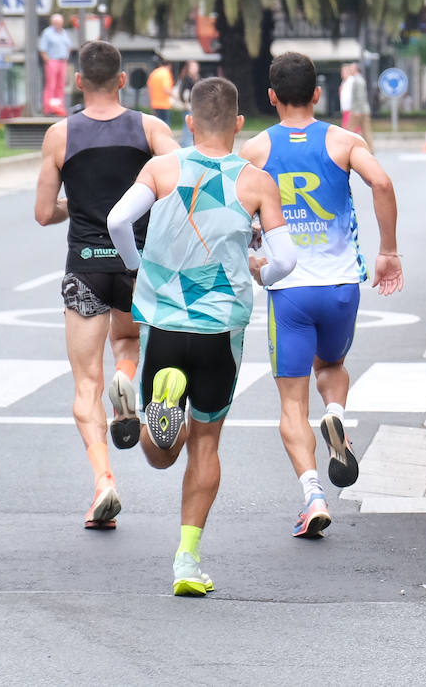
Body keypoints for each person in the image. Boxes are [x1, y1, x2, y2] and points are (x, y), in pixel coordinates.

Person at [106, 76, 295, 596]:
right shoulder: (257, 181)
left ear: (188, 122)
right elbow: (287, 259)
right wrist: (262, 271)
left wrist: (140, 268)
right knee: (206, 440)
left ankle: (159, 404)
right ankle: (187, 562)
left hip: (164, 324)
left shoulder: (161, 167)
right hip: (220, 328)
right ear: (238, 124)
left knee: (159, 453)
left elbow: (118, 219)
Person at [240, 52, 404, 538]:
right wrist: (388, 251)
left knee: (291, 405)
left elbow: (233, 210)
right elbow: (382, 182)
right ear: (318, 93)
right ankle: (335, 414)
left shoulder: (253, 150)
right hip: (339, 287)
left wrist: (253, 252)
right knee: (330, 367)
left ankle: (313, 494)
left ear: (271, 97)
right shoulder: (343, 140)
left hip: (288, 290)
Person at [34, 40, 179, 530]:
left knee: (84, 385)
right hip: (138, 265)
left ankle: (103, 482)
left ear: (78, 82)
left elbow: (41, 213)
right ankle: (128, 379)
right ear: (123, 80)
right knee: (127, 340)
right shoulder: (150, 128)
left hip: (86, 264)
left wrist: (80, 203)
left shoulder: (60, 134)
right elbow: (185, 181)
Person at [38, 13, 73, 116]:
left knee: (60, 85)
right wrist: (47, 61)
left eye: (60, 23)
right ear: (53, 23)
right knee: (51, 85)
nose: (58, 24)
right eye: (56, 23)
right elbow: (42, 49)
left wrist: (67, 56)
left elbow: (69, 45)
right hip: (52, 61)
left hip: (62, 61)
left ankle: (59, 107)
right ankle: (48, 108)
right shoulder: (47, 33)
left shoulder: (64, 33)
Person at [341, 63, 373, 149]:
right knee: (366, 131)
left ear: (355, 69)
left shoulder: (357, 80)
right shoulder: (359, 79)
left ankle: (347, 149)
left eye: (351, 68)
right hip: (363, 110)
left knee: (349, 130)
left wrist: (357, 111)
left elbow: (360, 96)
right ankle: (370, 150)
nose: (350, 69)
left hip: (357, 110)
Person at [174, 60, 201, 148]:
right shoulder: (187, 79)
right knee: (188, 128)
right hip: (189, 107)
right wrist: (186, 103)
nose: (195, 69)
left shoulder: (197, 78)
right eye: (193, 67)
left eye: (196, 67)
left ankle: (190, 144)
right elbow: (183, 93)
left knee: (194, 128)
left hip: (196, 107)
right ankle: (186, 145)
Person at [147, 56, 175, 127]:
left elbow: (149, 89)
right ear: (169, 65)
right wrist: (176, 96)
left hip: (155, 104)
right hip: (164, 105)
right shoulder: (166, 73)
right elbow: (166, 89)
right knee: (165, 126)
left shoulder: (154, 73)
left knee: (156, 126)